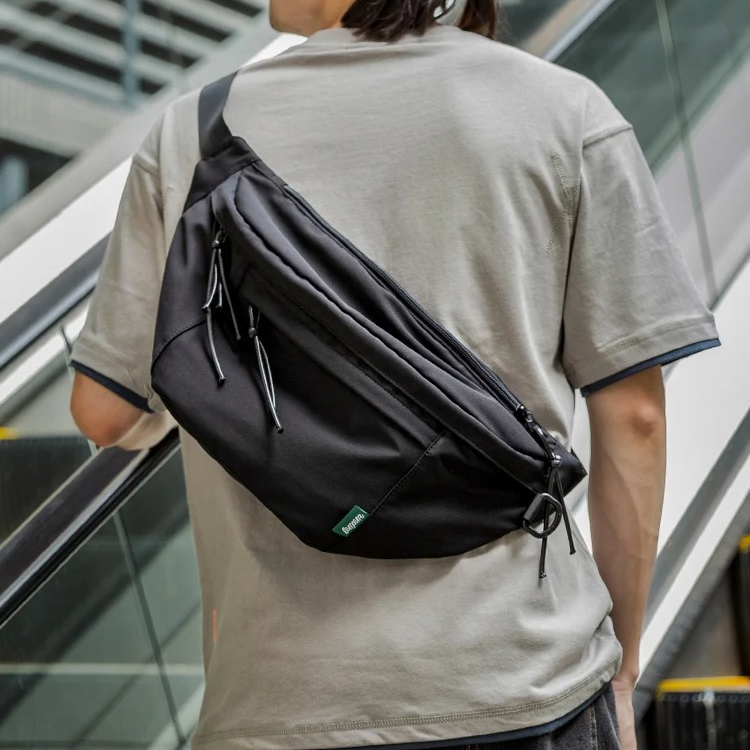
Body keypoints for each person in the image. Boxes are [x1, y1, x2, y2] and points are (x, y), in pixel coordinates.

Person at [69, 0, 720, 748]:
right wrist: (623, 667)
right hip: (529, 682)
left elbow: (105, 412)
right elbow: (635, 417)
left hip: (280, 702)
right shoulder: (565, 111)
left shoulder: (193, 133)